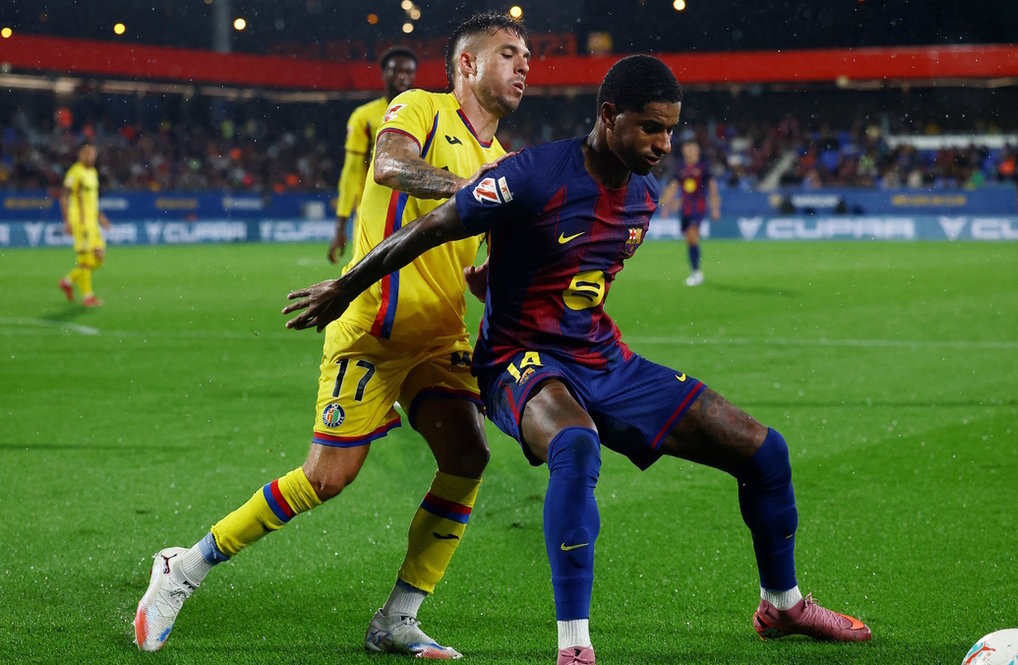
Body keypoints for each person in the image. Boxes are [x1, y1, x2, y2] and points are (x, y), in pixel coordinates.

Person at [284, 54, 871, 665]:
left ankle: (783, 605)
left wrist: (499, 275)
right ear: (609, 116)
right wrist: (346, 285)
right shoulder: (530, 174)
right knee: (576, 444)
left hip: (601, 358)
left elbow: (571, 268)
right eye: (651, 128)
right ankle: (574, 647)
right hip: (516, 359)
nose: (664, 145)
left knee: (764, 451)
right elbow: (432, 227)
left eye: (671, 130)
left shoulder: (644, 193)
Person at [134, 13, 531, 657]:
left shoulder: (506, 163)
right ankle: (183, 567)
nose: (524, 65)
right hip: (370, 326)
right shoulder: (420, 108)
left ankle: (397, 618)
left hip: (438, 338)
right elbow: (390, 165)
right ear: (467, 63)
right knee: (326, 478)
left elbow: (481, 271)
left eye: (527, 57)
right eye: (509, 53)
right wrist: (471, 193)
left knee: (468, 457)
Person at [329, 46, 418, 264]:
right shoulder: (364, 116)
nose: (403, 76)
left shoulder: (423, 114)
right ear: (384, 74)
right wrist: (341, 226)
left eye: (408, 71)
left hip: (413, 210)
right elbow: (351, 171)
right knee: (366, 275)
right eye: (396, 70)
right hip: (372, 210)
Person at [660, 138, 720, 286]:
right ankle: (695, 271)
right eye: (687, 148)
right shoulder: (680, 168)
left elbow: (712, 187)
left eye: (692, 148)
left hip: (698, 207)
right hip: (684, 208)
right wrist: (666, 206)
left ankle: (697, 273)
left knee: (692, 235)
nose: (690, 150)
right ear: (683, 150)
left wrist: (715, 208)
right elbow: (673, 187)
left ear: (697, 150)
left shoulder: (703, 167)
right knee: (689, 240)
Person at [58, 142, 111, 307]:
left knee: (99, 257)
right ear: (80, 154)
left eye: (93, 153)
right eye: (87, 152)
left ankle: (68, 280)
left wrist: (100, 217)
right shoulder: (75, 172)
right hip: (80, 222)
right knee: (86, 260)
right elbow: (63, 196)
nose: (90, 156)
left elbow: (92, 200)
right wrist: (67, 220)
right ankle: (88, 297)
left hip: (92, 222)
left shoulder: (93, 172)